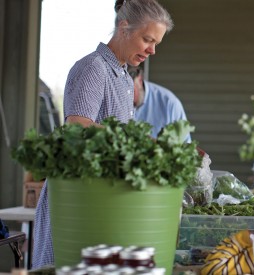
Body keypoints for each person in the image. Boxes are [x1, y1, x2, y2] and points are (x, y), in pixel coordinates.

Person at [32, 0, 173, 269]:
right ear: (124, 27)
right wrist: (133, 141)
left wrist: (148, 144)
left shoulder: (122, 76)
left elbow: (116, 134)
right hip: (77, 198)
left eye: (156, 43)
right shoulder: (93, 68)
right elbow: (78, 127)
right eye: (147, 39)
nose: (152, 50)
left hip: (101, 199)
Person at [128, 66, 191, 142]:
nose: (128, 99)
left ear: (140, 80)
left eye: (132, 91)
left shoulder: (170, 103)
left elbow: (185, 145)